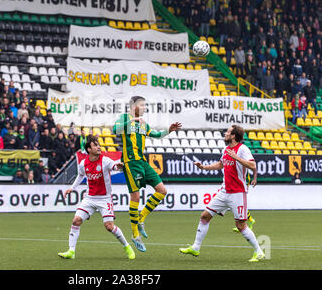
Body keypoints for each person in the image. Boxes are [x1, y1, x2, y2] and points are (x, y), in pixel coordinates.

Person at [179, 125, 265, 262]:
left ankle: (259, 251)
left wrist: (236, 157)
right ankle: (195, 247)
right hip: (224, 191)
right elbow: (220, 164)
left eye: (228, 132)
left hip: (237, 193)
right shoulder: (226, 149)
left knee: (241, 226)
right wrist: (203, 167)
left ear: (233, 136)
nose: (225, 134)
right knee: (204, 216)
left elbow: (253, 165)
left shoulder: (242, 149)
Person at [113, 96, 182, 252]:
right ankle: (135, 235)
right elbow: (115, 130)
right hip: (130, 162)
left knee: (162, 190)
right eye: (142, 105)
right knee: (135, 196)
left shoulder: (143, 123)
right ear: (134, 106)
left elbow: (156, 135)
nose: (145, 108)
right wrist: (133, 121)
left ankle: (141, 218)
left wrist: (169, 131)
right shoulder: (124, 118)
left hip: (142, 162)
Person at [58, 136, 135, 260]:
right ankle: (71, 251)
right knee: (76, 221)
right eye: (95, 145)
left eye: (99, 144)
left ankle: (127, 246)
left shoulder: (105, 161)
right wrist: (72, 188)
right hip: (90, 198)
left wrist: (119, 166)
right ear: (89, 149)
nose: (99, 147)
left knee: (109, 226)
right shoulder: (83, 164)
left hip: (105, 199)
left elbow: (115, 166)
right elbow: (80, 175)